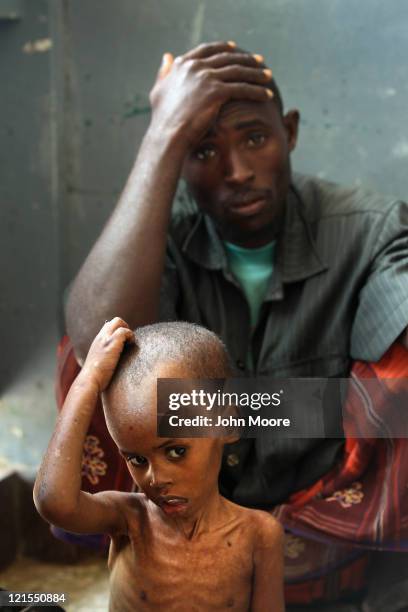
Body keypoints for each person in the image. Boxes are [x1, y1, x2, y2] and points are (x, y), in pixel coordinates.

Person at [60, 41, 408, 607]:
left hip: (328, 521)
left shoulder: (370, 229)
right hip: (183, 517)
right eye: (201, 150)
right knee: (89, 354)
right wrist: (161, 136)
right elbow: (92, 342)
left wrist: (194, 405)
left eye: (255, 138)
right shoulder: (159, 239)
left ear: (289, 132)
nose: (238, 171)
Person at [35, 318, 285, 612]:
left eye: (176, 451)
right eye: (137, 459)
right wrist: (88, 379)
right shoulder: (130, 519)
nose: (156, 478)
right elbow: (55, 503)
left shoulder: (259, 535)